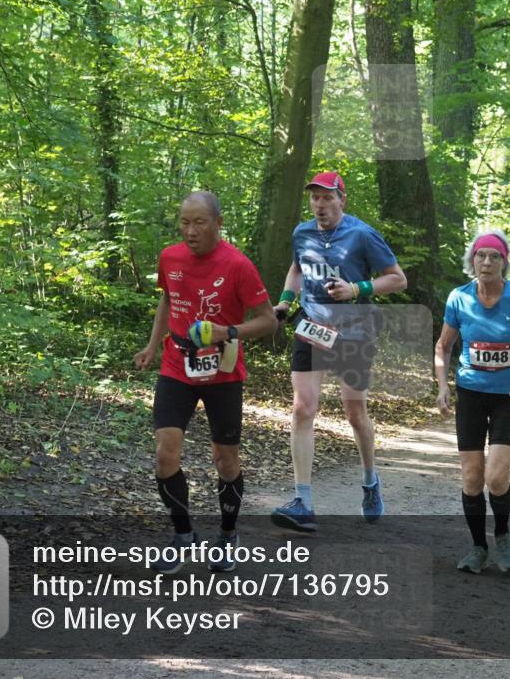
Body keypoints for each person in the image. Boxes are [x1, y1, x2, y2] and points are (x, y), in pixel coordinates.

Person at [134, 191, 277, 574]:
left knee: (224, 459)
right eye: (184, 221)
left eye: (199, 222)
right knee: (166, 452)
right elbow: (168, 299)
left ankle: (228, 536)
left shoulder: (238, 265)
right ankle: (182, 535)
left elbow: (268, 320)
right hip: (176, 364)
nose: (190, 230)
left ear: (218, 223)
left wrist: (226, 331)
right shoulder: (170, 257)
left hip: (223, 371)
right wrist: (151, 347)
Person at [270, 172, 407, 532]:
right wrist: (285, 302)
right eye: (314, 198)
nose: (320, 204)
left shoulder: (361, 234)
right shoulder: (302, 233)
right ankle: (303, 500)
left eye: (327, 198)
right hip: (312, 328)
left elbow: (397, 278)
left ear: (342, 200)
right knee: (303, 407)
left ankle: (370, 480)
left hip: (353, 333)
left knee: (354, 414)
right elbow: (297, 267)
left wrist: (357, 288)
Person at [434, 230, 510, 573]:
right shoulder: (459, 298)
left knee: (496, 478)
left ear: (504, 262)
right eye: (481, 255)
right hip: (470, 394)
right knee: (472, 478)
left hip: (508, 395)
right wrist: (443, 385)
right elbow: (443, 346)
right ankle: (478, 548)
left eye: (494, 256)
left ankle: (502, 535)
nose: (487, 262)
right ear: (472, 260)